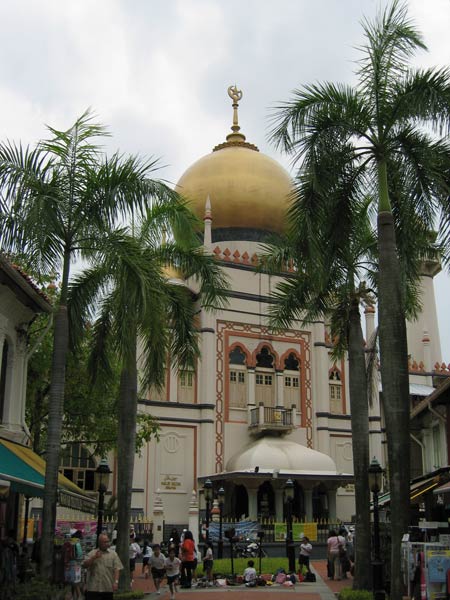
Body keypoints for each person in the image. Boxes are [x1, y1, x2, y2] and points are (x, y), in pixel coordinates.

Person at [83, 533, 123, 600]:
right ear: (99, 543)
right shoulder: (92, 553)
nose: (107, 543)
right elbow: (85, 565)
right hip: (93, 588)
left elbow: (117, 568)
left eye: (108, 541)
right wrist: (94, 557)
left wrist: (116, 582)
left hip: (107, 588)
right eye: (105, 542)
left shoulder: (113, 554)